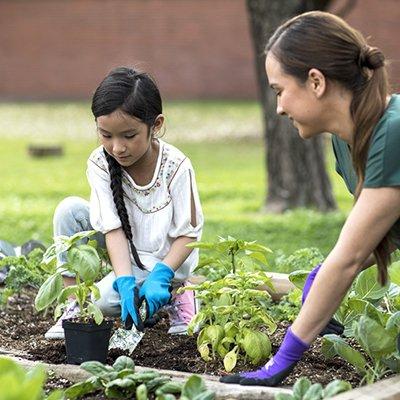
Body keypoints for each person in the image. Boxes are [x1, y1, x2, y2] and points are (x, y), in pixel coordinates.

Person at [221, 10, 400, 386]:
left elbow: (349, 258)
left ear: (316, 81)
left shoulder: (393, 132)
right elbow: (381, 232)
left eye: (279, 90)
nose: (279, 108)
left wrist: (279, 363)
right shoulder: (348, 140)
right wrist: (322, 274)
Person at [45, 67, 204, 339]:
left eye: (128, 136)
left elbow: (189, 234)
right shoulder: (100, 163)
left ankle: (179, 291)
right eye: (106, 135)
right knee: (69, 210)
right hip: (124, 254)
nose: (117, 148)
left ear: (156, 125)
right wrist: (124, 278)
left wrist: (163, 274)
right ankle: (73, 305)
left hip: (164, 263)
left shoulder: (176, 167)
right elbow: (112, 228)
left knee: (104, 303)